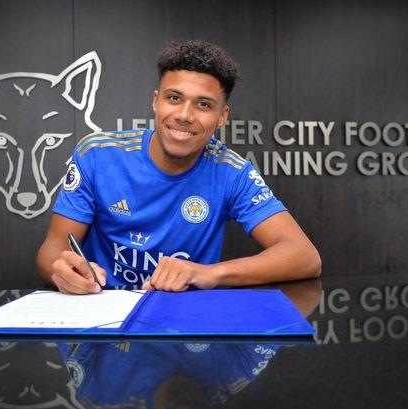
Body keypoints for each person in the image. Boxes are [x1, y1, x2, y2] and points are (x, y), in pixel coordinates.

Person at [37, 39, 321, 294]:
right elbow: (53, 247)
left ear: (222, 117)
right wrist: (60, 270)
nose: (184, 115)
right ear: (156, 101)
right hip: (104, 315)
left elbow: (304, 256)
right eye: (174, 98)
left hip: (185, 323)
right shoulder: (97, 154)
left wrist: (210, 273)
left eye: (203, 104)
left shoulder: (232, 172)